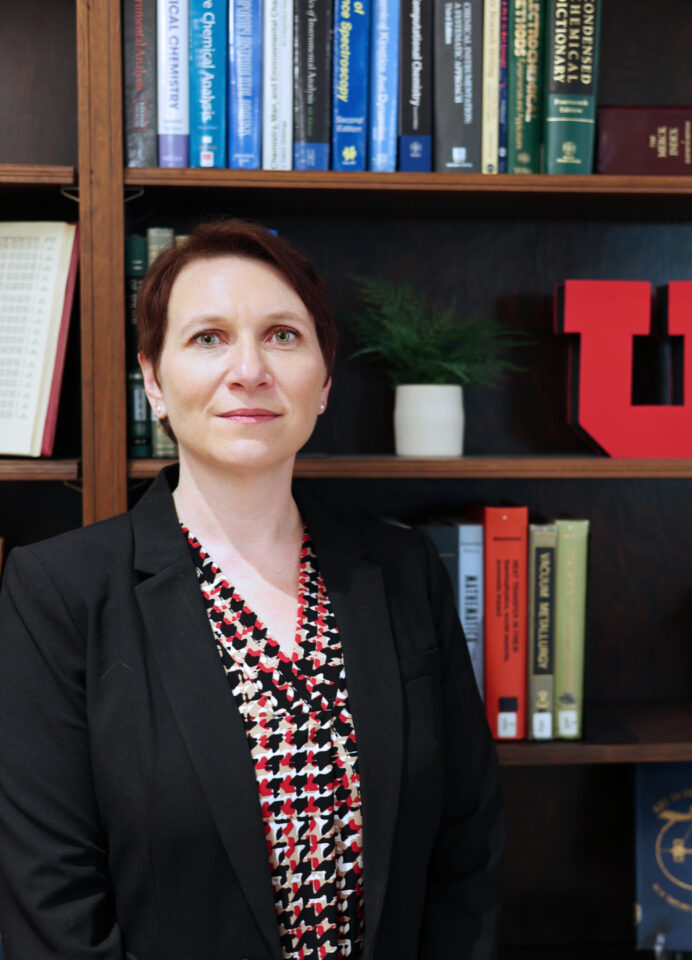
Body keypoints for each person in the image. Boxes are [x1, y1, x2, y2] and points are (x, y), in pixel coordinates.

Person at [0, 219, 505, 960]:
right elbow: (52, 903)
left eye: (282, 336)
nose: (249, 370)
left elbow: (470, 848)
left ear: (324, 381)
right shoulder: (57, 596)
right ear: (153, 381)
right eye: (208, 338)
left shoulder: (403, 573)